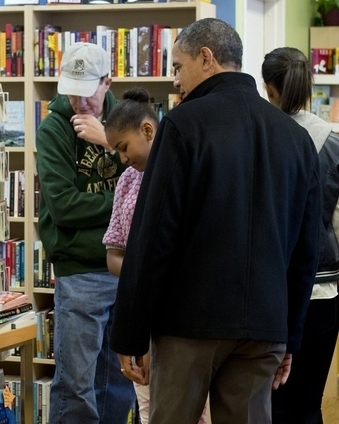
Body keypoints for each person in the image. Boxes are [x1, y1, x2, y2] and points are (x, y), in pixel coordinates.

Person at [110, 18, 322, 424]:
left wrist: (129, 332)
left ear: (206, 58)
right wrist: (290, 336)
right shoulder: (295, 138)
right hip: (265, 326)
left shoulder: (182, 125)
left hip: (188, 323)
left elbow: (153, 236)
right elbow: (305, 251)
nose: (175, 81)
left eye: (177, 66)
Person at [36, 41, 135, 424]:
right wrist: (125, 202)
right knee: (76, 385)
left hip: (124, 268)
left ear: (107, 81)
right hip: (79, 271)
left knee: (118, 381)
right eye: (71, 92)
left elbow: (152, 179)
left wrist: (108, 139)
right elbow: (64, 206)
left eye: (87, 92)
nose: (79, 103)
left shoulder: (127, 121)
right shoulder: (53, 130)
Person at [103, 87, 209, 424]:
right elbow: (113, 255)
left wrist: (153, 268)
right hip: (144, 314)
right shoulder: (128, 182)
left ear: (148, 131)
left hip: (190, 319)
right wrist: (147, 269)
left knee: (201, 409)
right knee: (149, 408)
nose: (122, 159)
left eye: (123, 148)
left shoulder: (191, 168)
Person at [262, 47, 339, 424]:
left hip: (271, 296)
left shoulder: (262, 138)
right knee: (308, 405)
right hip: (322, 294)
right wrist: (338, 277)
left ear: (269, 90)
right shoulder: (337, 145)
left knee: (271, 406)